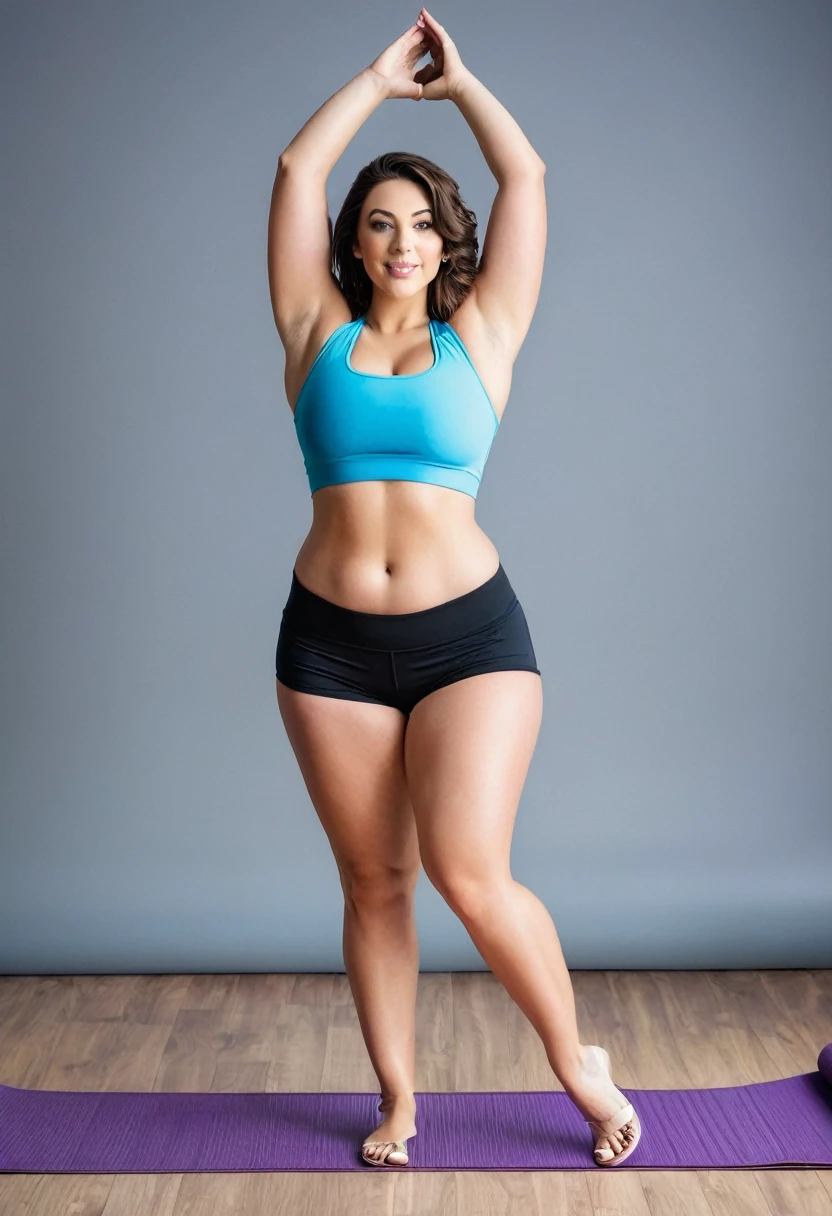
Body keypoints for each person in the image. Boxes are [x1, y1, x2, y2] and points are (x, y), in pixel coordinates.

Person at [267, 7, 641, 1169]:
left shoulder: (483, 335)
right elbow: (296, 166)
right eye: (379, 225)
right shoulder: (310, 330)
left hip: (469, 639)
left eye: (421, 223)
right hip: (326, 644)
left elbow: (523, 170)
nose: (401, 241)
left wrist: (460, 86)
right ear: (353, 244)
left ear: (446, 240)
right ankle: (398, 1098)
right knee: (374, 879)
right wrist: (376, 80)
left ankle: (576, 1060)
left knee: (467, 871)